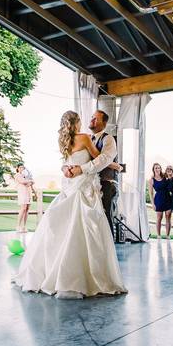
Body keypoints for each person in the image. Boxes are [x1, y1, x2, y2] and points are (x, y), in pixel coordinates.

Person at [13, 111, 127, 298]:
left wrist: (68, 168)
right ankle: (86, 274)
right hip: (82, 186)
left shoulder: (65, 141)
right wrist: (114, 165)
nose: (89, 121)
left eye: (94, 118)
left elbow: (72, 161)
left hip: (74, 185)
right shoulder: (85, 138)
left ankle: (52, 271)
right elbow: (99, 158)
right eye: (86, 119)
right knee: (87, 226)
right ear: (77, 123)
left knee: (62, 224)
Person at [148, 163, 173, 239]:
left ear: (160, 169)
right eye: (156, 168)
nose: (157, 169)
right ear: (153, 169)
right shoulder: (151, 180)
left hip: (168, 198)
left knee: (168, 217)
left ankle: (167, 235)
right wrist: (153, 204)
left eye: (159, 168)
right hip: (158, 199)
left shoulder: (165, 176)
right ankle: (159, 235)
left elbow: (171, 176)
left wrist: (170, 168)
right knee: (159, 217)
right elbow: (151, 193)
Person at [14, 163, 35, 233]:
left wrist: (30, 182)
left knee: (27, 209)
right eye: (20, 167)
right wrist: (30, 181)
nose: (22, 169)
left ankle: (24, 226)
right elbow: (23, 182)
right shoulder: (17, 175)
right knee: (23, 208)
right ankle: (18, 226)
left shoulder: (25, 175)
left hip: (28, 193)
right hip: (22, 193)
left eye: (23, 168)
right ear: (17, 168)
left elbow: (30, 183)